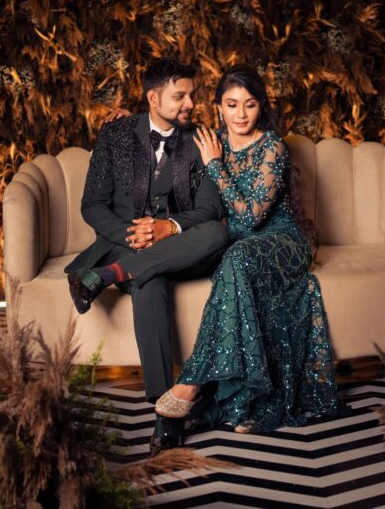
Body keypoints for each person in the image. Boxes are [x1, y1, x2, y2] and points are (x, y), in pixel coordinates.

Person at [152, 65, 346, 434]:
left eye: (250, 104)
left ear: (261, 107)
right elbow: (164, 127)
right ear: (219, 108)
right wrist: (124, 122)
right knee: (233, 263)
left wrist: (215, 167)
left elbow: (250, 216)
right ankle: (248, 403)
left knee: (236, 257)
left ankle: (190, 382)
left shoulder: (272, 147)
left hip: (284, 242)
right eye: (232, 104)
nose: (241, 114)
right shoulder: (209, 140)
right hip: (240, 247)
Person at [64, 58, 229, 456]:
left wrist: (167, 227)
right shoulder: (116, 134)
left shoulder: (200, 140)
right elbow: (93, 204)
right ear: (153, 97)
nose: (190, 102)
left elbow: (208, 209)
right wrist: (133, 234)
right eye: (180, 95)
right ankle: (165, 413)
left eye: (191, 94)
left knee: (221, 231)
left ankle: (102, 276)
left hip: (180, 244)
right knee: (149, 283)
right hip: (127, 244)